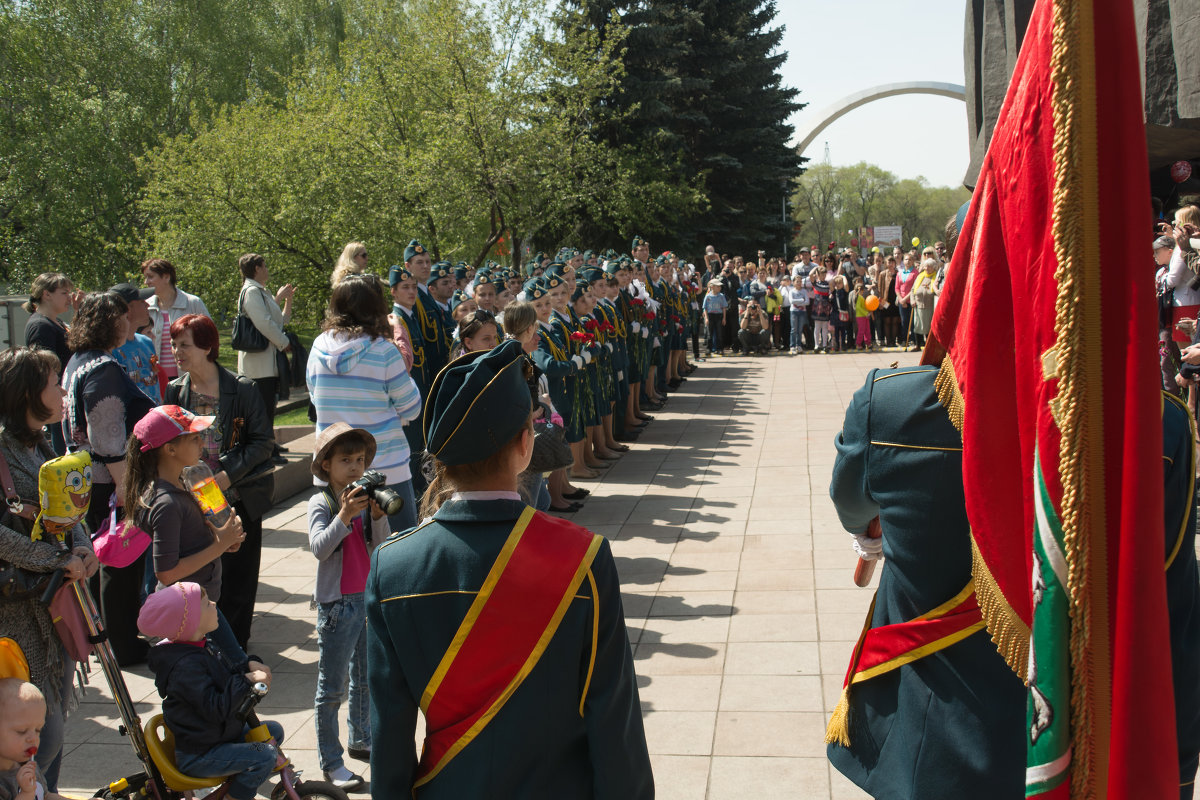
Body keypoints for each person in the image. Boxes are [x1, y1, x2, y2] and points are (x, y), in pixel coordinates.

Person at [365, 340, 653, 798]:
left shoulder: (392, 566)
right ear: (525, 444)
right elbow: (613, 719)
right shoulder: (583, 556)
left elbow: (389, 732)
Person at [826, 365, 1024, 798]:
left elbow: (851, 504)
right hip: (1076, 737)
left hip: (934, 734)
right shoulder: (1153, 421)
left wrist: (870, 532)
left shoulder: (893, 401)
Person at [0, 349, 98, 791]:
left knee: (46, 723)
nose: (64, 389)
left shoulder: (42, 442)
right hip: (17, 611)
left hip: (56, 603)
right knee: (38, 729)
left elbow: (66, 511)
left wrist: (84, 547)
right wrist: (59, 560)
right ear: (25, 392)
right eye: (55, 381)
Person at [165, 314, 275, 651]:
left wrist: (224, 475)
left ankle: (236, 650)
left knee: (237, 577)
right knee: (202, 577)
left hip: (236, 495)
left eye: (184, 345)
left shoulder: (242, 389)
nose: (176, 351)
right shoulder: (176, 389)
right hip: (193, 499)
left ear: (207, 346)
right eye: (174, 344)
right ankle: (204, 644)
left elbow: (262, 443)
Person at [62, 291, 155, 665]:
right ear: (109, 322)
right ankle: (122, 644)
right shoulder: (102, 368)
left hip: (85, 478)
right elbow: (108, 438)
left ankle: (109, 637)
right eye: (121, 317)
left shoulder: (77, 362)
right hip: (107, 480)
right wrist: (126, 487)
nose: (128, 322)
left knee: (104, 561)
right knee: (119, 560)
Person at [126, 405, 248, 662]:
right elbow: (166, 572)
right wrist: (219, 544)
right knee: (238, 671)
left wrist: (225, 540)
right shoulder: (166, 503)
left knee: (223, 678)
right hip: (189, 615)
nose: (201, 442)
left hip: (201, 606)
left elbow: (200, 534)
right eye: (193, 438)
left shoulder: (187, 480)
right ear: (170, 449)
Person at [306, 424, 390, 792]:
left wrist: (375, 514)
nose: (355, 468)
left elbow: (382, 544)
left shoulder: (365, 496)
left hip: (365, 598)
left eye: (360, 460)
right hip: (338, 606)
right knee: (331, 688)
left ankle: (361, 737)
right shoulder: (321, 503)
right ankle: (331, 761)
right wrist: (343, 517)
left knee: (365, 677)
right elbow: (320, 549)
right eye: (345, 461)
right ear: (326, 465)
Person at [139, 583, 281, 800]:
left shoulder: (203, 645)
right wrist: (246, 681)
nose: (214, 604)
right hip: (200, 753)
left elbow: (228, 673)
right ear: (190, 622)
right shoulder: (185, 666)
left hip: (217, 735)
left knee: (273, 731)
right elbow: (215, 707)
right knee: (264, 756)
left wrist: (250, 665)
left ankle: (235, 780)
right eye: (206, 604)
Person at [307, 274, 421, 534]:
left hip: (333, 470)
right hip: (386, 469)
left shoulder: (317, 348)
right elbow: (412, 408)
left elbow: (315, 397)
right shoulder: (384, 352)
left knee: (344, 560)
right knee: (398, 552)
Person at [234, 253, 294, 465]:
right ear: (257, 268)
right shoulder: (251, 291)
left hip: (267, 363)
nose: (267, 269)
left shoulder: (261, 291)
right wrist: (283, 342)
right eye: (265, 265)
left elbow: (279, 321)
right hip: (258, 365)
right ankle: (264, 451)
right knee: (261, 409)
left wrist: (288, 300)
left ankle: (269, 446)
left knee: (269, 406)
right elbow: (264, 323)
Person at [22, 273, 77, 455]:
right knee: (61, 451)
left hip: (63, 395)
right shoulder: (40, 326)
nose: (69, 298)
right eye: (64, 293)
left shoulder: (58, 322)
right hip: (55, 398)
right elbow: (43, 368)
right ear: (47, 294)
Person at [142, 258, 212, 384]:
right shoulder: (146, 306)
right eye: (145, 277)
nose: (146, 282)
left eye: (150, 277)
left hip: (191, 377)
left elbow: (209, 337)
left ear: (166, 277)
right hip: (156, 379)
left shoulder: (192, 303)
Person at [0, 679, 70, 800]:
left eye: (38, 730)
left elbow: (45, 795)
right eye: (21, 731)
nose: (33, 739)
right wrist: (26, 794)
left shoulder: (26, 765)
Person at [109, 282, 161, 404]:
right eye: (142, 302)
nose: (148, 305)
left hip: (154, 415)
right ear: (128, 309)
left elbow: (155, 382)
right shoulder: (112, 348)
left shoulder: (146, 341)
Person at [703, 279, 728, 355]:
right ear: (712, 287)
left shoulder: (721, 296)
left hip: (718, 316)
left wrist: (724, 318)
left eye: (720, 286)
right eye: (718, 286)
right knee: (709, 334)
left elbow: (724, 307)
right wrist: (706, 318)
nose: (719, 288)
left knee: (719, 333)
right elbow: (705, 308)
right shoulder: (708, 296)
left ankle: (720, 348)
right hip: (710, 315)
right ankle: (709, 349)